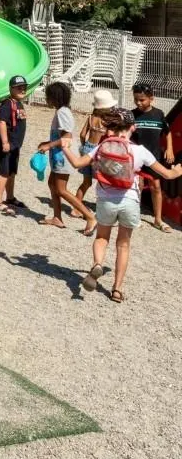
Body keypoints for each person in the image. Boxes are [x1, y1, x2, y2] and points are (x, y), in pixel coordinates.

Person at [62, 108, 182, 303]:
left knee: (102, 237)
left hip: (106, 201)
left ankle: (98, 264)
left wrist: (65, 147)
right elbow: (167, 175)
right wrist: (177, 170)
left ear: (111, 127)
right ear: (132, 127)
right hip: (130, 202)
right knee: (123, 245)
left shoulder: (102, 147)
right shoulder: (140, 150)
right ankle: (117, 290)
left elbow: (77, 163)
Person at [36, 81, 97, 234]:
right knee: (52, 184)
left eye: (48, 96)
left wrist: (48, 145)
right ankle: (57, 217)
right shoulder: (62, 111)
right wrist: (47, 143)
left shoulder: (62, 113)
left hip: (62, 157)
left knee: (61, 189)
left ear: (54, 98)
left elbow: (66, 138)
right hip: (58, 156)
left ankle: (89, 216)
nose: (46, 99)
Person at [130, 82, 173, 233]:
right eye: (136, 99)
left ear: (151, 98)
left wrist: (169, 149)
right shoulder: (131, 115)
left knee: (156, 187)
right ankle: (134, 216)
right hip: (137, 158)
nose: (138, 103)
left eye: (142, 100)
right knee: (138, 186)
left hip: (154, 158)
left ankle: (158, 219)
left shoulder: (159, 114)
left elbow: (167, 132)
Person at [0, 75, 29, 214]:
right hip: (6, 145)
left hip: (15, 145)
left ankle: (10, 197)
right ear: (11, 89)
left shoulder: (18, 103)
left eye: (24, 87)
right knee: (4, 173)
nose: (22, 90)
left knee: (12, 172)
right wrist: (5, 142)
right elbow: (1, 122)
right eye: (18, 88)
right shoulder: (8, 104)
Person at [75, 89, 115, 204]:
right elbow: (109, 135)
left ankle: (76, 207)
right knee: (103, 182)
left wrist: (84, 147)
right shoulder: (107, 120)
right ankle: (102, 206)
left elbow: (82, 134)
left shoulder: (90, 117)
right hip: (99, 150)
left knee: (86, 182)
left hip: (87, 148)